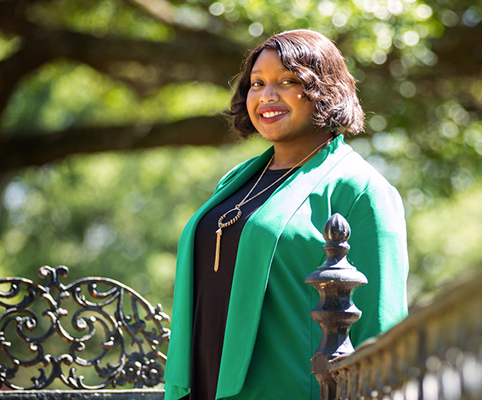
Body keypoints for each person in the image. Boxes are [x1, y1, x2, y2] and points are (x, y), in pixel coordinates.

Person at [164, 29, 408, 400]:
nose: (267, 95)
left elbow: (382, 330)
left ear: (324, 90)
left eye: (288, 81)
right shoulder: (237, 180)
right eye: (257, 83)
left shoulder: (361, 190)